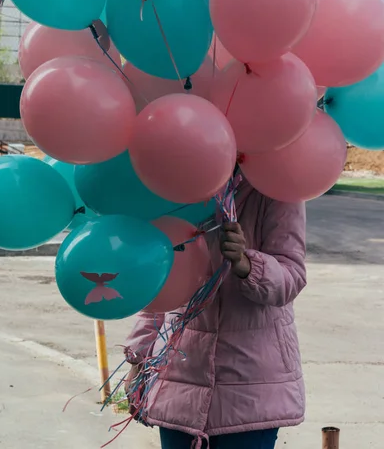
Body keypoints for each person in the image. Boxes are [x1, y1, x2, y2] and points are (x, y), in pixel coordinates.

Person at [125, 177, 307, 449]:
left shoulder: (278, 185)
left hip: (251, 387)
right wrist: (138, 360)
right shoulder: (176, 182)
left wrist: (247, 263)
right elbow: (158, 285)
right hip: (179, 379)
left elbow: (291, 278)